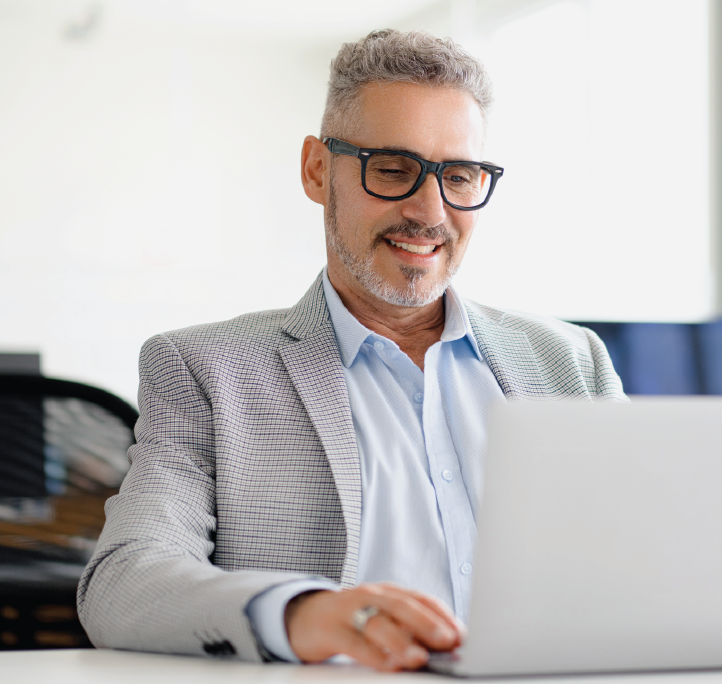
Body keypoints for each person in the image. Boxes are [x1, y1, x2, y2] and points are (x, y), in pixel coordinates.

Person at [77, 29, 624, 670]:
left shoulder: (571, 361)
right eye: (393, 170)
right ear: (317, 170)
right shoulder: (205, 369)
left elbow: (651, 555)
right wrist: (303, 612)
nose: (430, 210)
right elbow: (124, 581)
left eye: (460, 175)